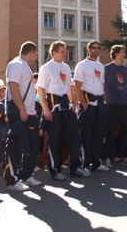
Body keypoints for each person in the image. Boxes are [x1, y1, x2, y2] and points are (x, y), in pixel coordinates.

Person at [37, 41, 89, 180]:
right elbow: (41, 89)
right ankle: (55, 170)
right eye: (62, 52)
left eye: (65, 52)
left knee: (74, 137)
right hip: (54, 104)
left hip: (66, 105)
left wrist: (73, 103)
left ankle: (76, 167)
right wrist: (46, 110)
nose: (65, 54)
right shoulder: (46, 68)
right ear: (54, 53)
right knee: (55, 140)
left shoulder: (66, 67)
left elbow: (69, 87)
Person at [4, 41, 41, 191]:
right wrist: (22, 110)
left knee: (32, 146)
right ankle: (12, 180)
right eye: (36, 53)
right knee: (15, 146)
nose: (36, 56)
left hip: (29, 113)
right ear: (31, 52)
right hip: (20, 113)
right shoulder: (16, 64)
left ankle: (26, 175)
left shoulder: (25, 66)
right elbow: (13, 87)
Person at [74, 40, 109, 172]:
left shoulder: (100, 66)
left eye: (98, 48)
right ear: (88, 49)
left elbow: (103, 86)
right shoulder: (82, 65)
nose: (96, 50)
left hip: (100, 103)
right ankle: (84, 163)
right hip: (88, 103)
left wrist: (106, 102)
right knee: (86, 134)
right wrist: (83, 103)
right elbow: (77, 85)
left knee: (99, 134)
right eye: (94, 48)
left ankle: (97, 162)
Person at [103, 45, 127, 167]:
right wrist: (107, 100)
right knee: (110, 131)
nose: (124, 54)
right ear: (116, 53)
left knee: (125, 131)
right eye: (122, 52)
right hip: (112, 104)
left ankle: (125, 156)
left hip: (124, 104)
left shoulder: (126, 69)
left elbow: (126, 85)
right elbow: (103, 85)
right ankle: (108, 158)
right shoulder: (107, 68)